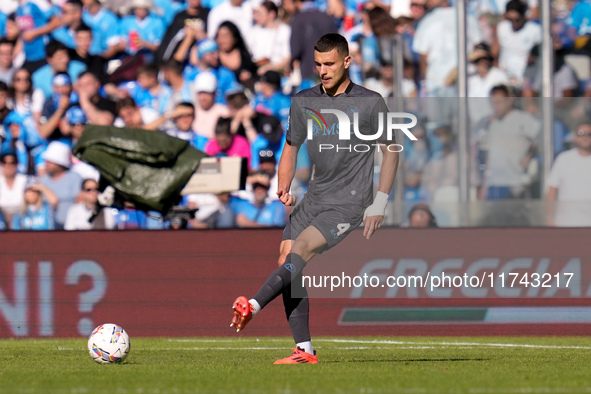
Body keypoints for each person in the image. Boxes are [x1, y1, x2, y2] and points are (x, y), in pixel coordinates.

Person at [230, 33, 399, 364]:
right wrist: (284, 185)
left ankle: (252, 306)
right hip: (314, 198)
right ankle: (304, 349)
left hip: (350, 202)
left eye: (330, 64)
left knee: (301, 250)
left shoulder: (371, 101)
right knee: (287, 263)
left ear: (347, 62)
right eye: (318, 64)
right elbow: (290, 149)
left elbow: (391, 151)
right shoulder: (304, 101)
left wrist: (380, 201)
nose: (323, 70)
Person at [480, 85, 540, 200]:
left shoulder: (523, 119)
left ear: (509, 101)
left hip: (516, 183)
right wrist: (484, 187)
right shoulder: (492, 124)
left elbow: (541, 138)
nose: (495, 106)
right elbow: (488, 158)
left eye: (499, 102)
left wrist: (529, 156)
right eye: (493, 102)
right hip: (494, 184)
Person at [546, 122, 591, 227]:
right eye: (581, 133)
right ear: (575, 137)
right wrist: (549, 218)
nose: (585, 137)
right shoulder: (564, 159)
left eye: (589, 134)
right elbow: (552, 189)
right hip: (566, 222)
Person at [38, 141, 83, 229]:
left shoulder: (74, 177)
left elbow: (80, 201)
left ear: (60, 163)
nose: (47, 164)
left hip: (71, 226)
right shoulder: (43, 180)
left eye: (50, 161)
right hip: (49, 226)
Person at [193, 71, 230, 139]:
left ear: (214, 94)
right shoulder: (192, 112)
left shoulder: (224, 112)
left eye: (207, 93)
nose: (203, 97)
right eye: (200, 93)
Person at [0, 150, 27, 227]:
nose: (8, 165)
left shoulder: (24, 180)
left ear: (17, 164)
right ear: (1, 164)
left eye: (12, 162)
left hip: (21, 215)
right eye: (5, 162)